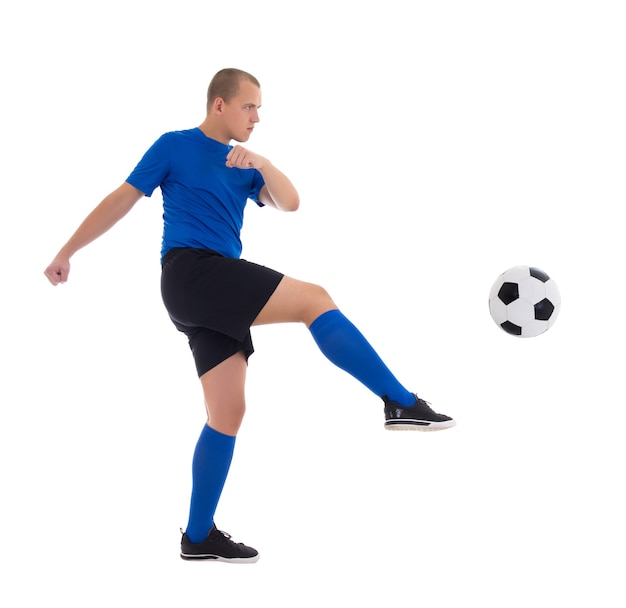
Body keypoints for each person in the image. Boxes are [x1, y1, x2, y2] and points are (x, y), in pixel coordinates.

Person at [44, 67, 455, 564]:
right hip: (194, 273)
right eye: (249, 106)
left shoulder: (246, 163)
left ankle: (197, 537)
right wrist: (68, 250)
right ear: (220, 105)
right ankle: (400, 400)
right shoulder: (173, 145)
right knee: (314, 299)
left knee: (228, 413)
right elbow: (121, 199)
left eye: (259, 109)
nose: (256, 117)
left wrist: (261, 161)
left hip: (209, 289)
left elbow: (291, 203)